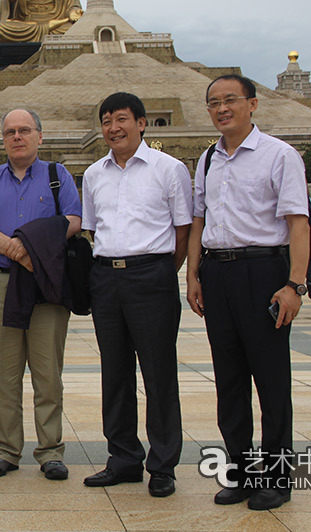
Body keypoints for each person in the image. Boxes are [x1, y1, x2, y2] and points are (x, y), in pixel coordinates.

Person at [186, 74, 309, 511]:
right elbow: (198, 222)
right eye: (214, 102)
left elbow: (298, 223)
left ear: (252, 104)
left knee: (271, 380)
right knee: (230, 380)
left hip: (264, 271)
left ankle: (277, 477)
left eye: (231, 100)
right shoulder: (207, 160)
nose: (222, 108)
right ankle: (240, 471)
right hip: (218, 274)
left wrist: (295, 284)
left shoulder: (279, 155)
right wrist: (193, 275)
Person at [80, 92, 192, 498]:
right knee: (115, 372)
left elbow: (183, 231)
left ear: (142, 123)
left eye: (122, 119)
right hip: (106, 277)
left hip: (152, 276)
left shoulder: (169, 169)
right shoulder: (94, 174)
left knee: (158, 373)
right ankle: (123, 458)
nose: (113, 128)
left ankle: (162, 464)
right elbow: (93, 229)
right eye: (107, 120)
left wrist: (163, 272)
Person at [0, 108, 82, 480]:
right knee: (4, 371)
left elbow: (74, 221)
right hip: (1, 281)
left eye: (25, 130)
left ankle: (50, 451)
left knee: (48, 371)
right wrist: (19, 250)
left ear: (39, 137)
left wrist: (34, 251)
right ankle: (5, 449)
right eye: (10, 131)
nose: (17, 136)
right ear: (4, 139)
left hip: (47, 284)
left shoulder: (57, 176)